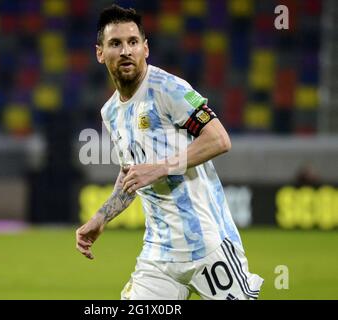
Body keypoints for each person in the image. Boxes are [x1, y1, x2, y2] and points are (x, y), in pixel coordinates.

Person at [76, 4, 263, 300]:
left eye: (133, 42)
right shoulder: (110, 112)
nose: (126, 50)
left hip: (208, 246)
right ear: (100, 53)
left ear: (145, 49)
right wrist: (101, 217)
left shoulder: (168, 89)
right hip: (159, 256)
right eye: (115, 43)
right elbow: (132, 173)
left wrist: (160, 168)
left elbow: (219, 139)